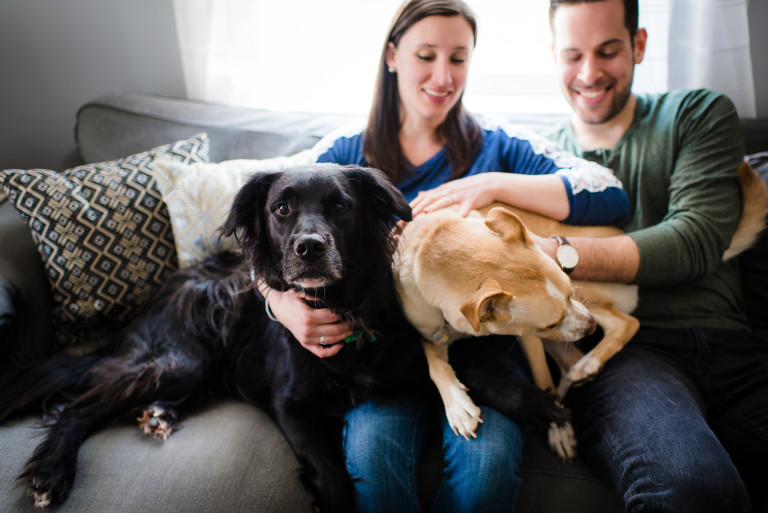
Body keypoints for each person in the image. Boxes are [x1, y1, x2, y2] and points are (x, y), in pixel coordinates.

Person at [256, 0, 629, 510]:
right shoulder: (345, 154)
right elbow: (260, 221)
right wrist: (279, 303)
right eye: (425, 55)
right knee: (373, 464)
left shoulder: (496, 143)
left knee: (487, 474)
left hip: (487, 351)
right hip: (381, 358)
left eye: (458, 57)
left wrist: (488, 184)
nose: (442, 75)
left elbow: (608, 190)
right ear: (392, 56)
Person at [535, 0, 768, 511]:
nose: (590, 73)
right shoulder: (537, 162)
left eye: (608, 51)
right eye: (573, 55)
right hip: (627, 360)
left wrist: (555, 252)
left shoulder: (696, 114)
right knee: (693, 489)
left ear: (639, 45)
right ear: (553, 55)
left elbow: (694, 239)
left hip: (735, 347)